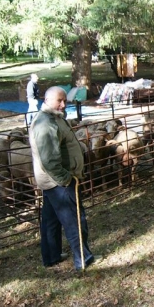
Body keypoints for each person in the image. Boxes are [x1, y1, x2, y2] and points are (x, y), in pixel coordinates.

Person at [29, 86, 97, 270]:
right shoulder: (46, 124)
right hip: (59, 182)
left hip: (51, 182)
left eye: (65, 101)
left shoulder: (53, 118)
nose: (63, 104)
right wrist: (67, 179)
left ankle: (51, 256)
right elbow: (50, 160)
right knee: (74, 219)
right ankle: (83, 258)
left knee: (51, 220)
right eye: (59, 100)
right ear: (47, 99)